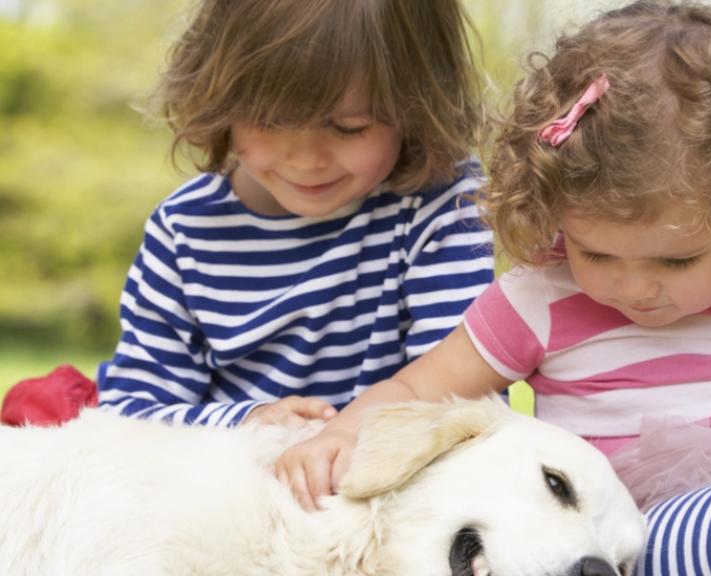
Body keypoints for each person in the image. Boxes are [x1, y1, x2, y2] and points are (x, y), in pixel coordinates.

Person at [277, 1, 711, 573]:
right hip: (661, 532)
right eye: (597, 253)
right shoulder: (543, 294)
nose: (634, 287)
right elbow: (421, 387)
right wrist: (344, 433)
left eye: (677, 262)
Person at [2, 0, 494, 430]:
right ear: (221, 99)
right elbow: (133, 412)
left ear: (418, 104)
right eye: (271, 122)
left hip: (385, 478)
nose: (307, 160)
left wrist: (341, 440)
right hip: (232, 485)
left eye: (348, 128)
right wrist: (249, 424)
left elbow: (460, 395)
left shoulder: (440, 203)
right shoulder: (185, 231)